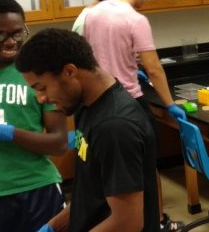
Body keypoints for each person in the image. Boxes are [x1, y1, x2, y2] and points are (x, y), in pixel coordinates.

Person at [17, 28, 159, 232]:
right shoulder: (86, 105)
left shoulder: (114, 126)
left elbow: (127, 222)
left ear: (70, 72)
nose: (41, 98)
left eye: (42, 88)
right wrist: (53, 227)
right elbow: (91, 194)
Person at [82, 0, 185, 231]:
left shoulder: (93, 13)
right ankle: (150, 224)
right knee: (143, 177)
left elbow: (90, 55)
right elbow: (153, 68)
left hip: (96, 104)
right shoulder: (135, 19)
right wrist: (170, 104)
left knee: (105, 178)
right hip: (128, 105)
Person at [0, 0, 66, 232]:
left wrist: (10, 133)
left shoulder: (42, 77)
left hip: (37, 188)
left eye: (18, 32)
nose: (11, 41)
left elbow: (58, 143)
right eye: (0, 34)